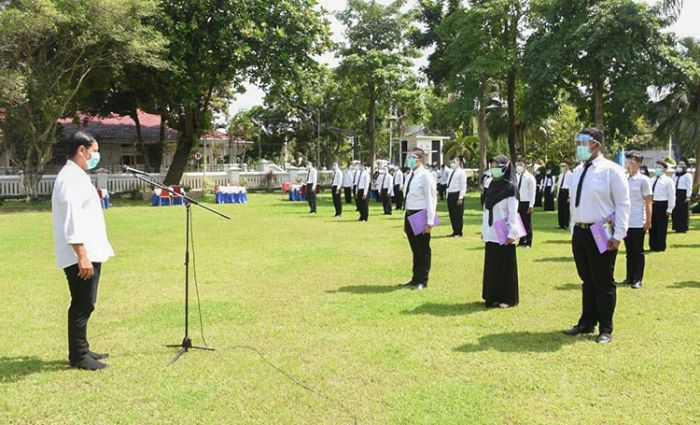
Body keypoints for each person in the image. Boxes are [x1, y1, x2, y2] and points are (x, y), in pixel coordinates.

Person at [52, 131, 114, 370]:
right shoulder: (70, 178)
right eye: (94, 151)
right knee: (82, 303)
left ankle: (83, 348)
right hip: (80, 254)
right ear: (82, 150)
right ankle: (78, 356)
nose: (96, 155)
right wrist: (82, 255)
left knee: (85, 302)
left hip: (88, 251)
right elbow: (72, 218)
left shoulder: (77, 175)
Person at [564, 128, 629, 344]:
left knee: (603, 281)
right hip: (580, 231)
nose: (579, 147)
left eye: (583, 142)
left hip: (600, 231)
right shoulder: (577, 171)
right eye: (577, 142)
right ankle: (586, 322)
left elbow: (623, 204)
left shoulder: (612, 170)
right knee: (587, 280)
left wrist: (618, 235)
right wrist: (573, 227)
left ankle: (606, 328)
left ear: (597, 145)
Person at [482, 155, 520, 308]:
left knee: (504, 265)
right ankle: (492, 296)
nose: (494, 169)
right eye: (492, 166)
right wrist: (484, 230)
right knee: (492, 264)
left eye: (497, 166)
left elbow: (513, 213)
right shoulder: (491, 184)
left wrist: (512, 233)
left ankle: (507, 297)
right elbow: (486, 210)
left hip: (504, 230)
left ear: (504, 168)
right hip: (491, 231)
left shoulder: (510, 187)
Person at [400, 148, 437, 291]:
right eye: (408, 156)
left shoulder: (426, 176)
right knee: (415, 249)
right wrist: (405, 220)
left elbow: (431, 199)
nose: (409, 159)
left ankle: (423, 280)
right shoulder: (410, 175)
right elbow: (407, 198)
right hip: (410, 213)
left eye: (412, 157)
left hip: (421, 214)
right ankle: (415, 278)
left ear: (420, 160)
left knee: (423, 249)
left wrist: (430, 222)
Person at [620, 152, 652, 289]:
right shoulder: (625, 179)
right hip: (626, 221)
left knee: (638, 251)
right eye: (629, 162)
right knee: (629, 251)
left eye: (633, 162)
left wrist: (648, 220)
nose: (630, 165)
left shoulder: (643, 180)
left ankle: (638, 279)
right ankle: (629, 276)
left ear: (639, 164)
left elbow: (649, 201)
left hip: (638, 220)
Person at [649, 161, 675, 252]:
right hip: (652, 204)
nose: (657, 169)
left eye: (659, 167)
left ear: (664, 169)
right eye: (656, 167)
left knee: (661, 227)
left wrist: (670, 209)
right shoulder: (651, 180)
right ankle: (653, 246)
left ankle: (661, 247)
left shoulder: (668, 181)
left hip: (662, 204)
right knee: (652, 227)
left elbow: (671, 195)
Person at [516, 159, 536, 247]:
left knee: (526, 222)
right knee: (519, 222)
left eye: (521, 165)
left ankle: (528, 241)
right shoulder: (517, 176)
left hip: (526, 202)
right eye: (517, 165)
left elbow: (532, 192)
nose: (519, 167)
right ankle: (522, 239)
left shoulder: (530, 177)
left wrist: (531, 205)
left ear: (525, 166)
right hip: (518, 201)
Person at [446, 157, 467, 237]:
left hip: (457, 194)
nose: (452, 163)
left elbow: (463, 186)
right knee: (452, 214)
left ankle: (459, 232)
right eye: (451, 162)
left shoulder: (462, 172)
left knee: (458, 214)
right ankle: (454, 231)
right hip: (450, 194)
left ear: (458, 162)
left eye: (454, 161)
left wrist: (460, 197)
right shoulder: (451, 172)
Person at [672, 161, 693, 233]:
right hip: (675, 193)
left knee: (683, 212)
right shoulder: (674, 175)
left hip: (683, 193)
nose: (679, 168)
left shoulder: (687, 175)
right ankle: (676, 227)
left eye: (681, 167)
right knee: (675, 211)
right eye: (678, 166)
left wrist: (688, 196)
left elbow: (689, 186)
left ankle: (683, 228)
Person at [557, 162, 573, 229]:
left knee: (566, 209)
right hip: (561, 191)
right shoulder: (560, 175)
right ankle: (561, 224)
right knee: (560, 208)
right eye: (561, 166)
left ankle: (566, 224)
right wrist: (558, 194)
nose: (562, 167)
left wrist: (569, 196)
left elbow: (571, 186)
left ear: (568, 166)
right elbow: (558, 185)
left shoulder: (571, 175)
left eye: (564, 166)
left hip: (566, 192)